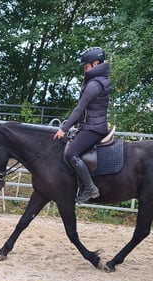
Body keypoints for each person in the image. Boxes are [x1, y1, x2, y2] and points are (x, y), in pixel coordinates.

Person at [53, 47, 111, 203]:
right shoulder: (98, 81)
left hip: (93, 128)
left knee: (71, 153)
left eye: (86, 66)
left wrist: (63, 129)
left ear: (96, 64)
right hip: (90, 126)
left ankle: (90, 187)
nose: (84, 70)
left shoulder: (94, 85)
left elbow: (79, 109)